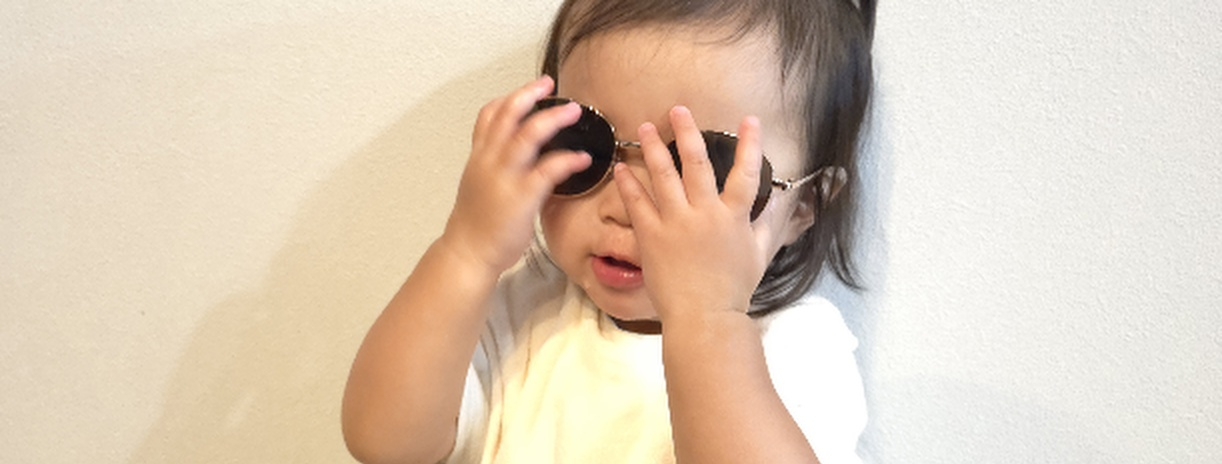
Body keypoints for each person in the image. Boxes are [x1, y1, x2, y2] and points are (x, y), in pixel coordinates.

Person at [342, 0, 876, 462]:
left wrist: (708, 319)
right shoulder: (520, 311)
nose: (625, 205)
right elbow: (384, 443)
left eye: (702, 169)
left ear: (804, 205)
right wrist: (466, 251)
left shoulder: (798, 348)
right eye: (588, 144)